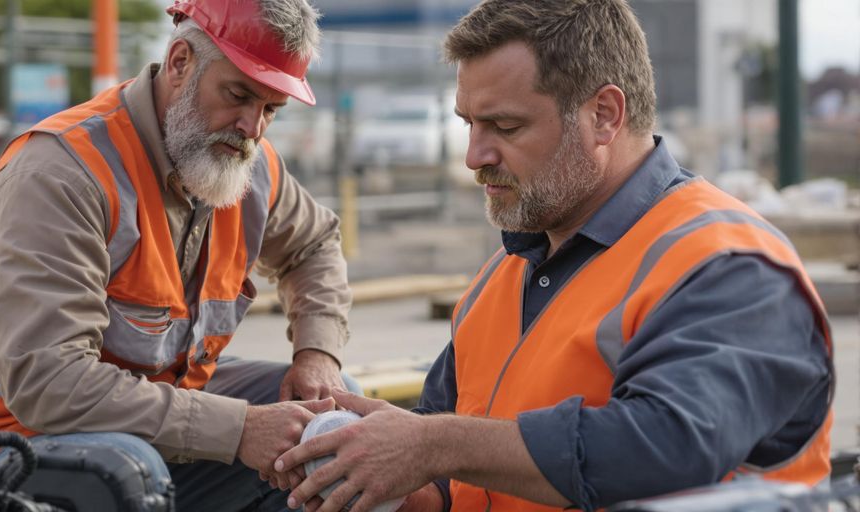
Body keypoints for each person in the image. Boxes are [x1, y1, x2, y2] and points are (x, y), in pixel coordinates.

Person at [273, 1, 834, 511]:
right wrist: (377, 477)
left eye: (506, 125)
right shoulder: (504, 276)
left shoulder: (729, 265)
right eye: (469, 124)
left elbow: (667, 449)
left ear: (605, 115)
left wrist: (432, 445)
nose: (474, 156)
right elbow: (453, 473)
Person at [0, 0, 353, 509]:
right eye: (238, 95)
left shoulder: (247, 165)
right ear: (180, 63)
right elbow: (50, 384)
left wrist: (318, 355)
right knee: (123, 470)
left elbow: (314, 245)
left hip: (142, 437)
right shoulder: (61, 175)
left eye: (271, 109)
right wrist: (239, 429)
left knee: (325, 420)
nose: (253, 128)